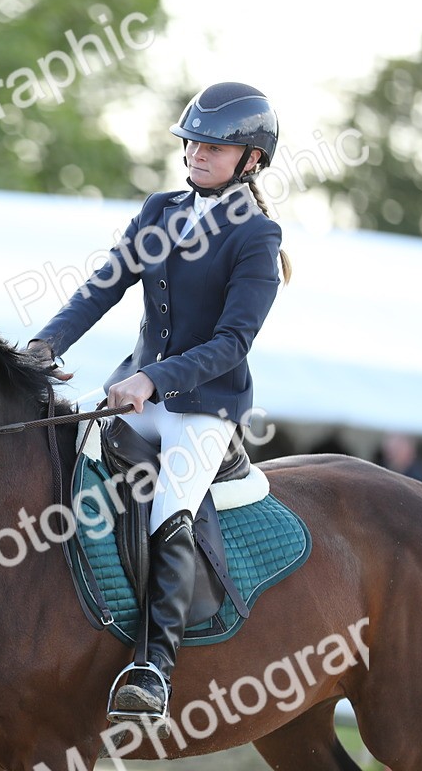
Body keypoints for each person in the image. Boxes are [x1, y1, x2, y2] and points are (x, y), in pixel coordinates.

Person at [27, 82, 289, 720]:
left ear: (250, 159)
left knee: (171, 506)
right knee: (45, 446)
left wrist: (156, 379)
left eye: (215, 146)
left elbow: (234, 340)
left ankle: (153, 667)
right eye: (193, 141)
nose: (197, 153)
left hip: (201, 405)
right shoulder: (160, 209)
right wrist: (42, 345)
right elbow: (102, 287)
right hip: (136, 387)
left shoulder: (257, 235)